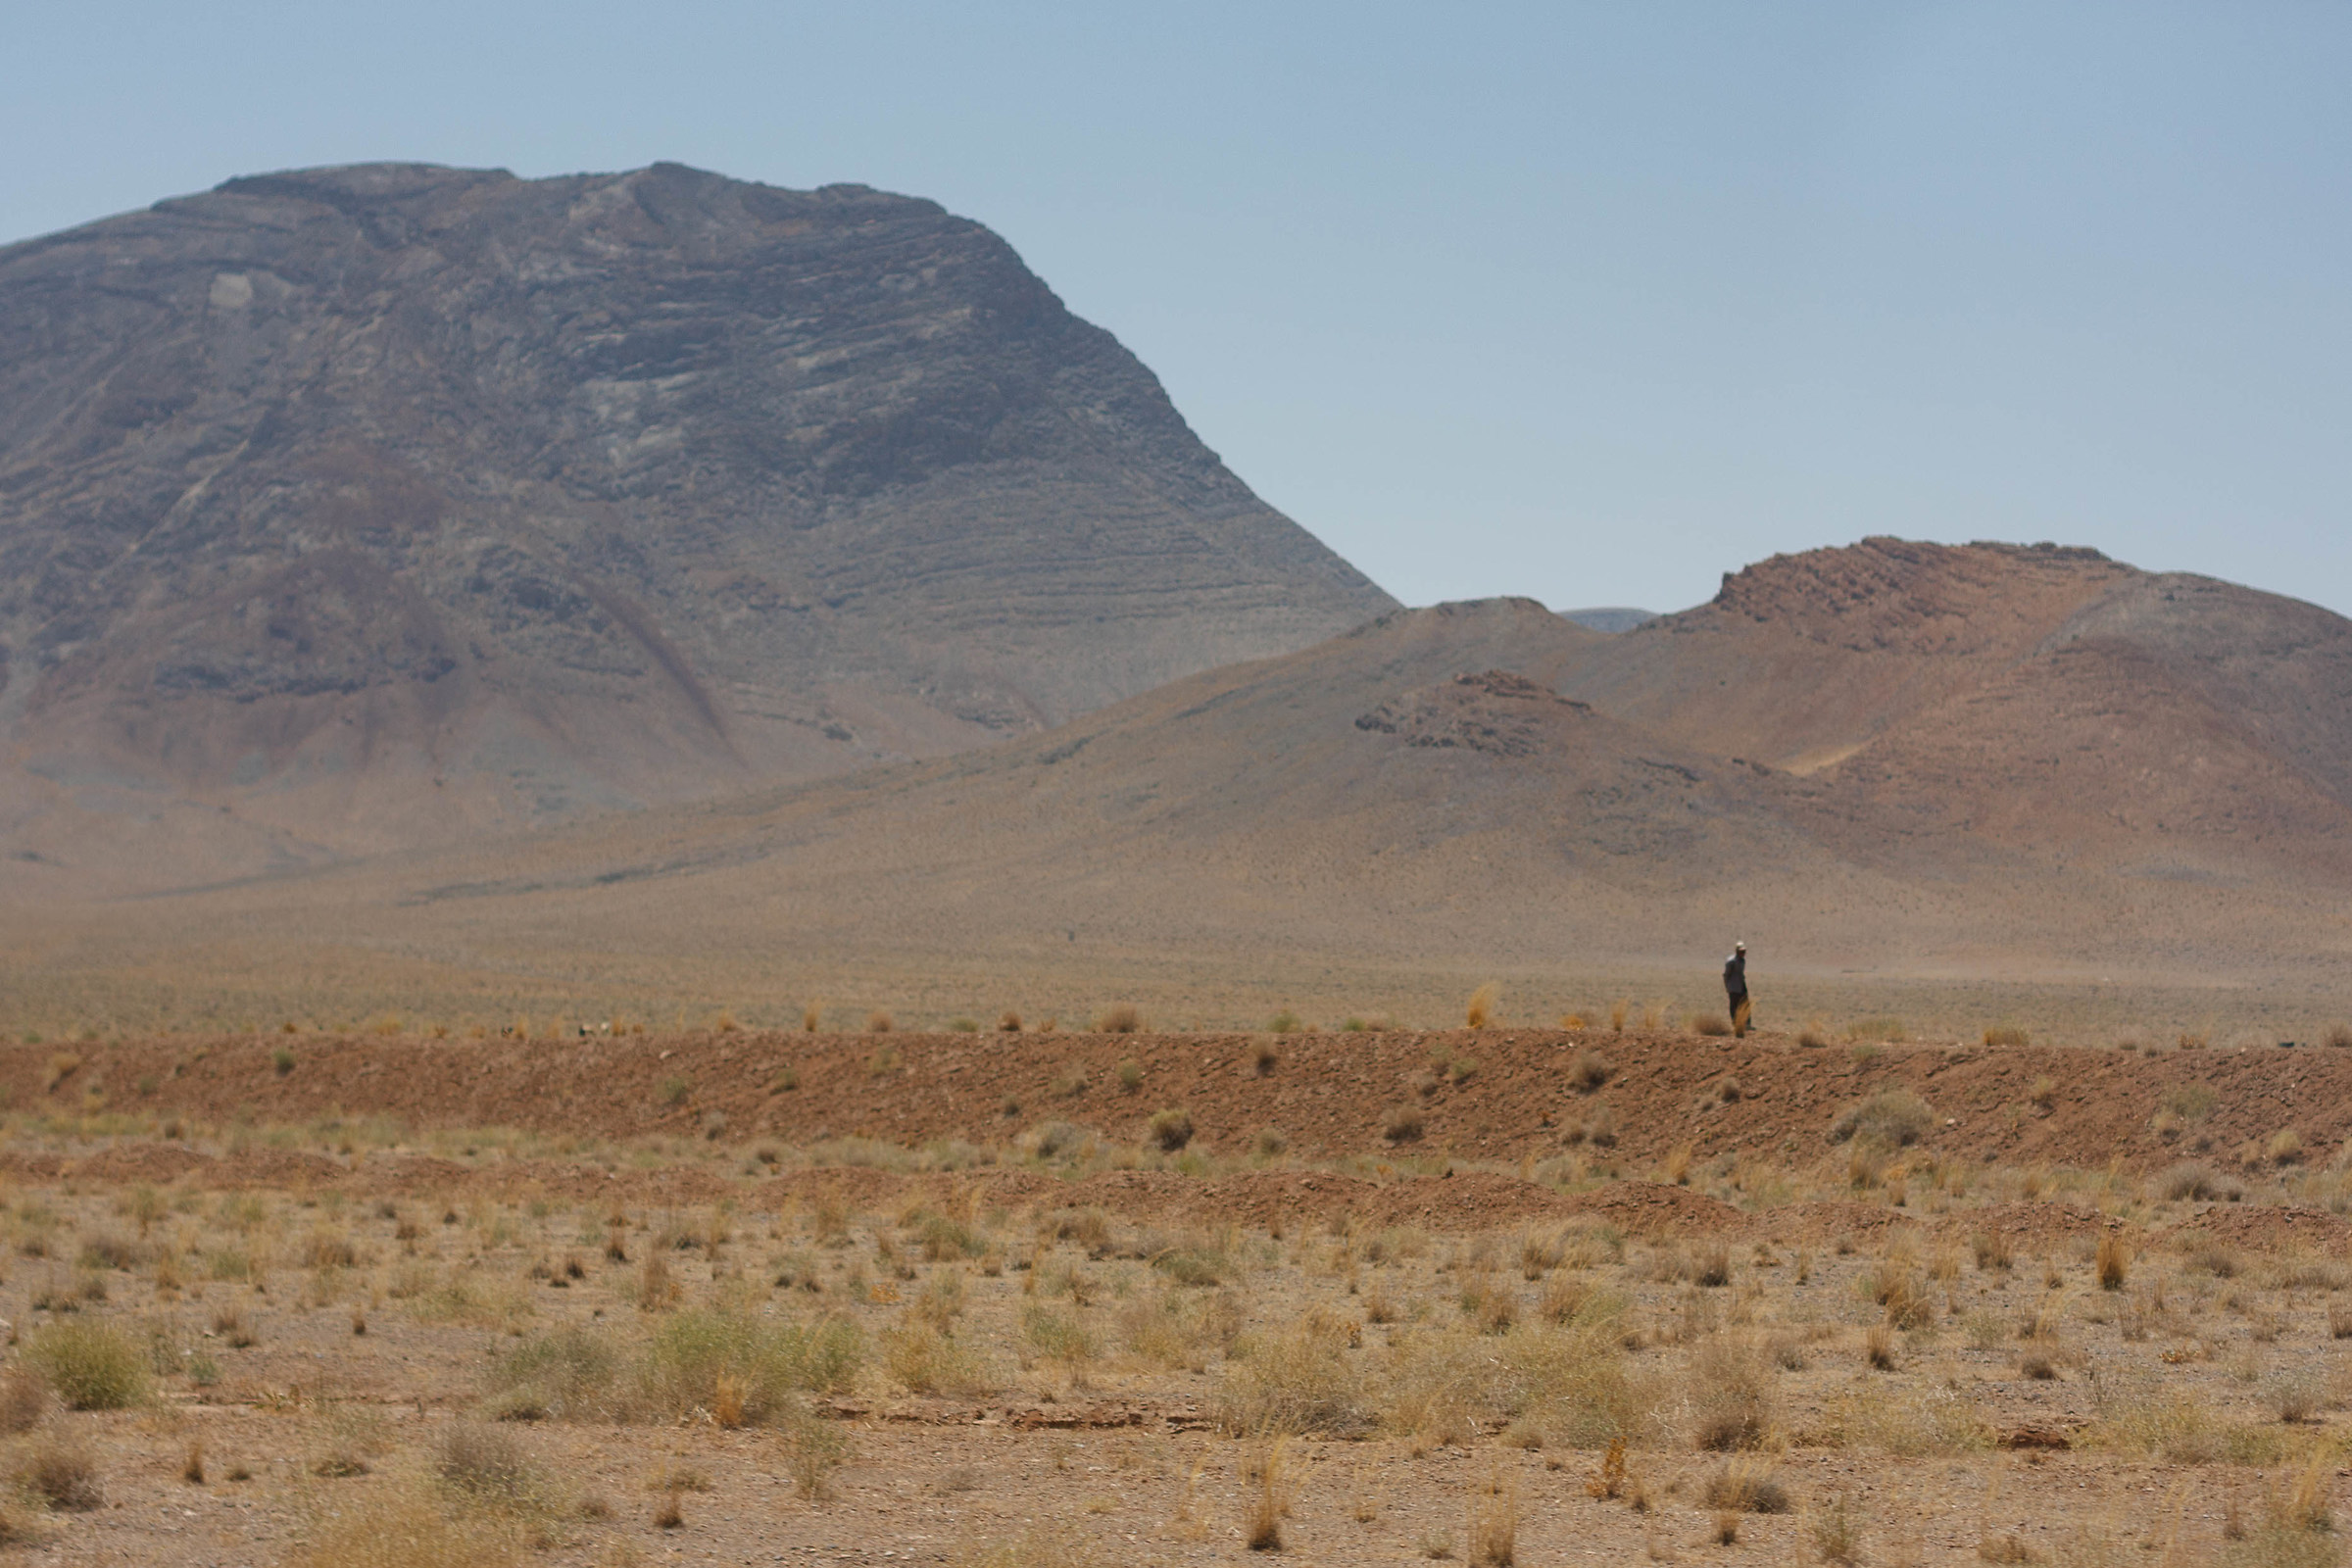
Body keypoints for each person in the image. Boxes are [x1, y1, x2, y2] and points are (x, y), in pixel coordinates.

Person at [1723, 942, 1751, 1038]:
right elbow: (1726, 975)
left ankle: (1747, 1024)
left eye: (1744, 951)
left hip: (1741, 985)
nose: (1743, 953)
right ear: (1737, 951)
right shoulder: (1731, 961)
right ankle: (1735, 1023)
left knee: (1745, 1004)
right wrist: (1727, 987)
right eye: (1741, 951)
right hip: (1733, 986)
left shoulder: (1742, 961)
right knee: (1734, 1006)